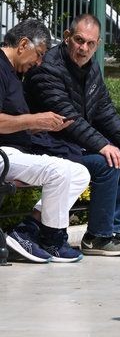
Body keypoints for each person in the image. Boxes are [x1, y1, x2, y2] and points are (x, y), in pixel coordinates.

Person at [24, 13, 120, 257]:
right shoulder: (48, 69)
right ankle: (99, 238)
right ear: (67, 37)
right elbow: (68, 118)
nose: (83, 48)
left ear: (98, 44)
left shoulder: (91, 67)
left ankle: (110, 232)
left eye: (90, 43)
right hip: (48, 146)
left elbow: (105, 110)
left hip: (74, 146)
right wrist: (103, 146)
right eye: (79, 40)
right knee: (107, 163)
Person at [0, 19, 90, 263]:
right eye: (39, 54)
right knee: (60, 172)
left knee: (79, 173)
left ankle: (29, 231)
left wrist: (43, 125)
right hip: (3, 154)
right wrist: (33, 120)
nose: (39, 62)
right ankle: (52, 240)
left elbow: (14, 119)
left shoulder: (14, 72)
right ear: (23, 44)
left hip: (14, 153)